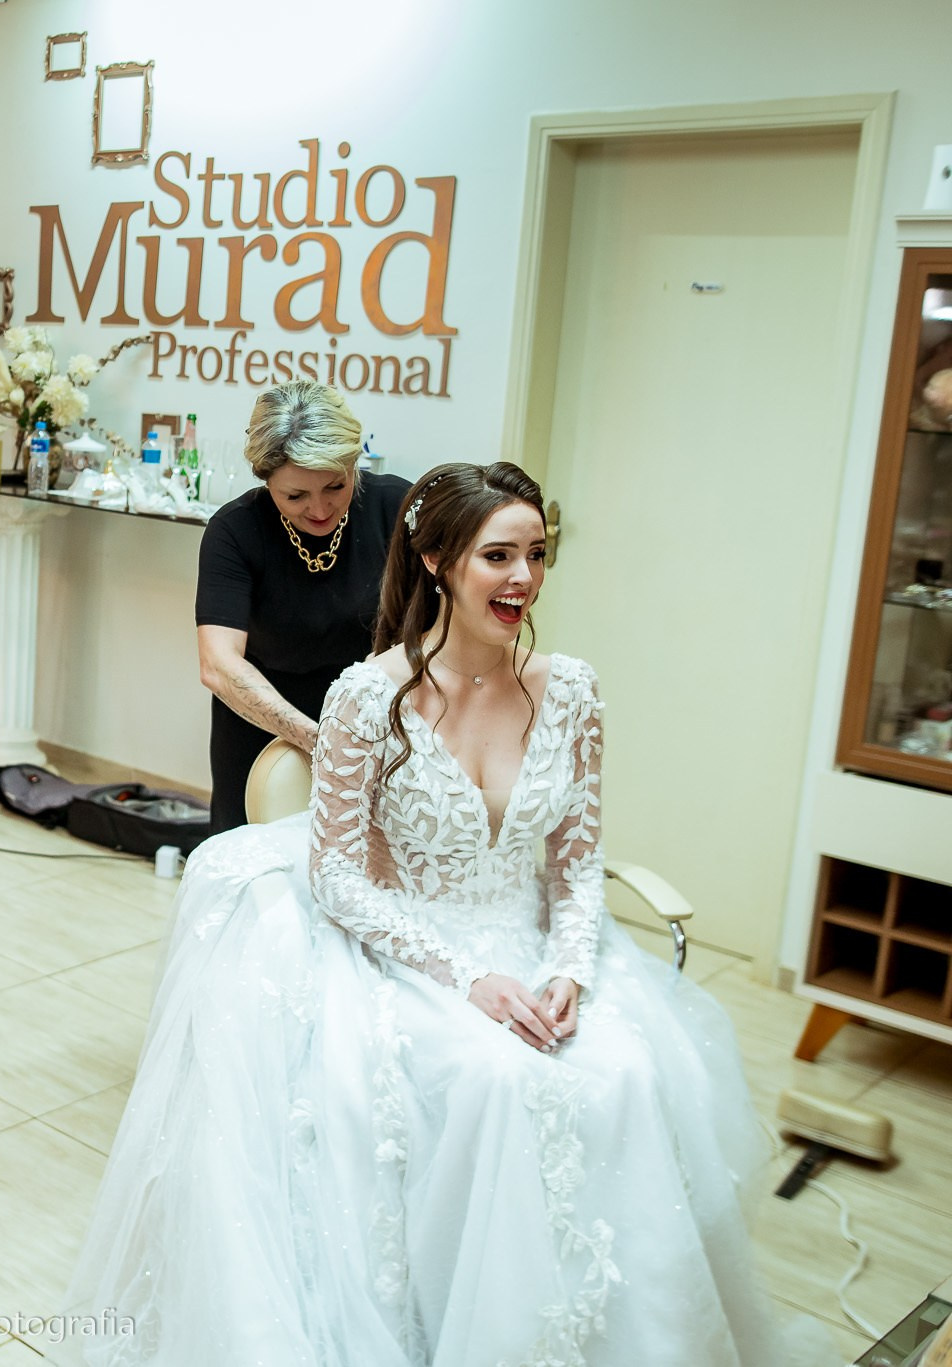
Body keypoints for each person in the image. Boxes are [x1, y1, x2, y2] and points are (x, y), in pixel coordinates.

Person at [68, 462, 816, 1365]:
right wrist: (473, 980)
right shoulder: (365, 698)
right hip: (414, 948)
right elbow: (339, 878)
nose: (522, 579)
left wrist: (569, 970)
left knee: (624, 1069)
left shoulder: (571, 691)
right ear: (434, 560)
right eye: (497, 555)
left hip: (536, 944)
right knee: (496, 1082)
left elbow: (579, 869)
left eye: (536, 555)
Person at [196, 381, 409, 833]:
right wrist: (316, 739)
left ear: (355, 463)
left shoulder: (399, 509)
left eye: (336, 486)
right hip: (260, 721)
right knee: (255, 868)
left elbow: (440, 619)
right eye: (295, 496)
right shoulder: (235, 532)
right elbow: (218, 663)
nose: (319, 509)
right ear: (266, 479)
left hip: (371, 723)